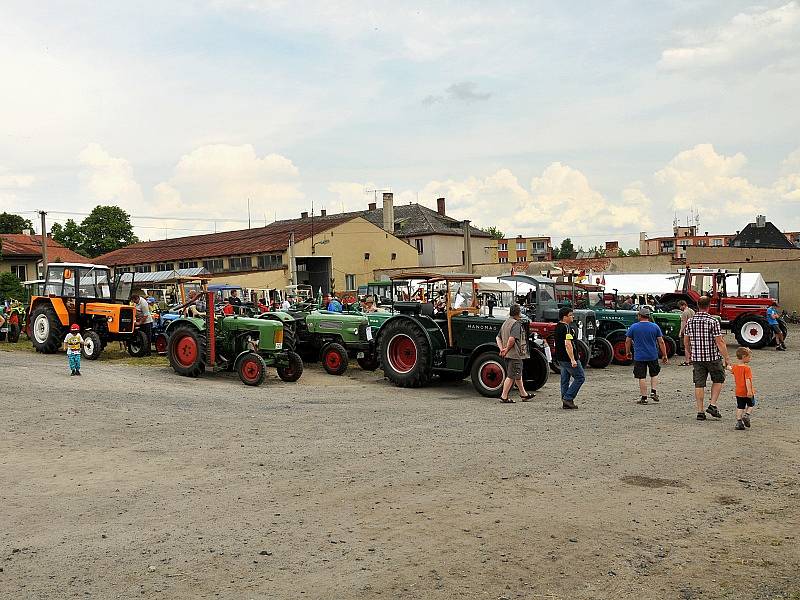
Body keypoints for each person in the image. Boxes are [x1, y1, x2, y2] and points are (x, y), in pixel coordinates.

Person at [684, 295, 731, 421]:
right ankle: (712, 404)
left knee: (699, 383)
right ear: (709, 306)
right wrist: (726, 358)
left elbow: (686, 340)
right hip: (712, 357)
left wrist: (689, 352)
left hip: (697, 358)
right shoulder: (713, 321)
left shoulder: (690, 321)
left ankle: (700, 411)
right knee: (718, 379)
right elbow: (719, 341)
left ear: (698, 306)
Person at [625, 307, 669, 405]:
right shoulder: (655, 327)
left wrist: (628, 352)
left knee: (641, 377)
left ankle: (644, 398)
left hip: (639, 356)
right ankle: (653, 391)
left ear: (640, 316)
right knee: (654, 374)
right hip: (652, 355)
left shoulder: (634, 327)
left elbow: (627, 340)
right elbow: (661, 342)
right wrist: (664, 355)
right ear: (648, 316)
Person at [496, 304, 534, 403]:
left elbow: (498, 337)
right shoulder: (516, 324)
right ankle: (504, 396)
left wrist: (502, 349)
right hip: (514, 354)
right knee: (511, 376)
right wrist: (507, 349)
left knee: (517, 374)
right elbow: (512, 339)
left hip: (507, 354)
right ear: (519, 313)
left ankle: (523, 394)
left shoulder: (505, 323)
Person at [554, 307, 584, 409]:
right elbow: (568, 344)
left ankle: (565, 400)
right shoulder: (566, 328)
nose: (573, 316)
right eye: (570, 315)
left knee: (565, 379)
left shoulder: (558, 326)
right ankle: (568, 397)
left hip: (560, 358)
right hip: (567, 358)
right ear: (564, 317)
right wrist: (573, 359)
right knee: (580, 377)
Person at [730, 347, 756, 431]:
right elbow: (747, 380)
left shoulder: (735, 367)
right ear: (744, 356)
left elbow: (730, 369)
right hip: (746, 391)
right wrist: (749, 391)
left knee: (740, 407)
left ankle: (739, 422)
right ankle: (747, 415)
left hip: (738, 392)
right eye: (749, 357)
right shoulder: (747, 368)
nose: (750, 358)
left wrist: (726, 365)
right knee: (751, 404)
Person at [678, 300, 695, 366]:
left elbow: (684, 323)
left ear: (683, 305)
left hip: (686, 331)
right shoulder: (692, 311)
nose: (680, 308)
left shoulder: (684, 313)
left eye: (680, 306)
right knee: (691, 346)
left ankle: (687, 361)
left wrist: (681, 332)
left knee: (686, 346)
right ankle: (691, 360)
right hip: (693, 331)